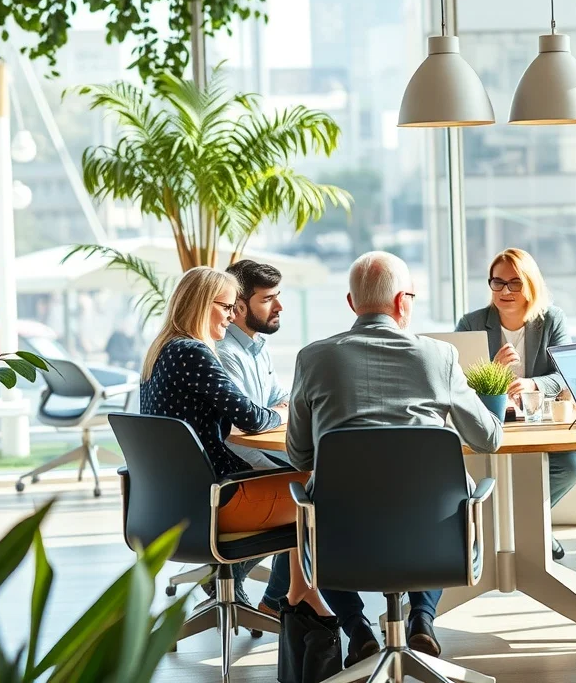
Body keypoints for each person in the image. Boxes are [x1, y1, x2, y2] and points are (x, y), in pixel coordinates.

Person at [287, 251, 503, 666]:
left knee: (318, 505)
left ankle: (358, 630)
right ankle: (422, 618)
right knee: (445, 497)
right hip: (433, 542)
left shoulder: (312, 358)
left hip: (342, 544)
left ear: (352, 304)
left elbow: (299, 453)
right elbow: (488, 438)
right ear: (403, 303)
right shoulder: (439, 357)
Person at [139, 267, 329, 617]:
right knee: (315, 489)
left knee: (301, 482)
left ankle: (290, 596)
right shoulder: (193, 353)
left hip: (169, 501)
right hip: (216, 498)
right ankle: (283, 602)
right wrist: (285, 412)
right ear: (200, 304)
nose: (232, 315)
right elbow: (253, 418)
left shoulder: (161, 351)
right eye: (226, 307)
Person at [455, 248, 576, 562]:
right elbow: (455, 381)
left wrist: (533, 384)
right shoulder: (470, 323)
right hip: (488, 422)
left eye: (514, 283)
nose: (505, 291)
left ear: (530, 285)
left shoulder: (551, 320)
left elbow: (568, 376)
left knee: (569, 467)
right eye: (498, 283)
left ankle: (528, 525)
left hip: (536, 421)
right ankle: (532, 530)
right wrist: (493, 372)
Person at [215, 259, 299, 614]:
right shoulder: (224, 352)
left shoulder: (257, 345)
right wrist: (274, 414)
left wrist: (274, 412)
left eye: (277, 296)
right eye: (268, 299)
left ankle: (275, 598)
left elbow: (281, 400)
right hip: (240, 463)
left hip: (264, 451)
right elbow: (245, 426)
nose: (279, 306)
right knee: (310, 491)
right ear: (238, 306)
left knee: (312, 480)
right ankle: (277, 600)